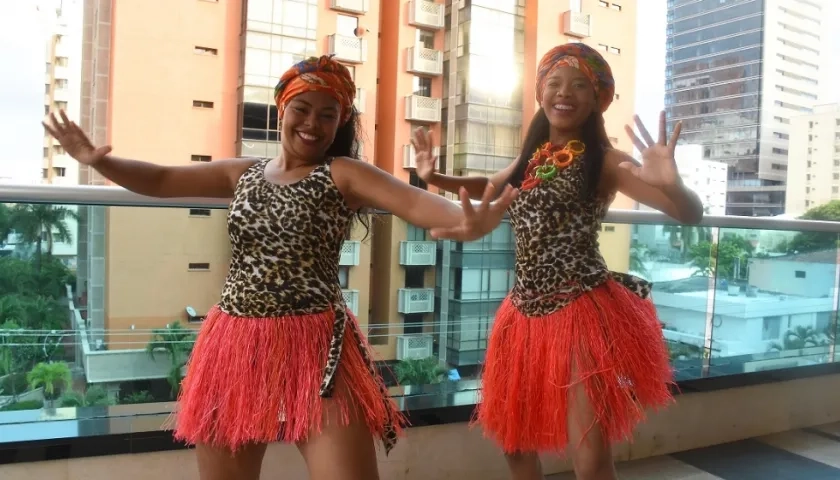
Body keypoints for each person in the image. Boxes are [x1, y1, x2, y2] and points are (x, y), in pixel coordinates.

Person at [43, 54, 517, 480]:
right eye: (302, 109)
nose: (313, 124)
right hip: (235, 343)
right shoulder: (243, 173)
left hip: (317, 349)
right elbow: (163, 179)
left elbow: (417, 204)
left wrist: (472, 220)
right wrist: (97, 162)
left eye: (327, 115)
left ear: (341, 122)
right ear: (281, 110)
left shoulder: (344, 173)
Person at [412, 43, 703, 480]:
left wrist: (674, 187)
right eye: (554, 83)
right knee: (514, 442)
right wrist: (433, 177)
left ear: (595, 99)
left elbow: (689, 214)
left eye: (579, 85)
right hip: (522, 313)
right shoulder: (532, 159)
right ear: (540, 92)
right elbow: (487, 185)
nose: (564, 93)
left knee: (587, 446)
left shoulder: (606, 160)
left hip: (579, 307)